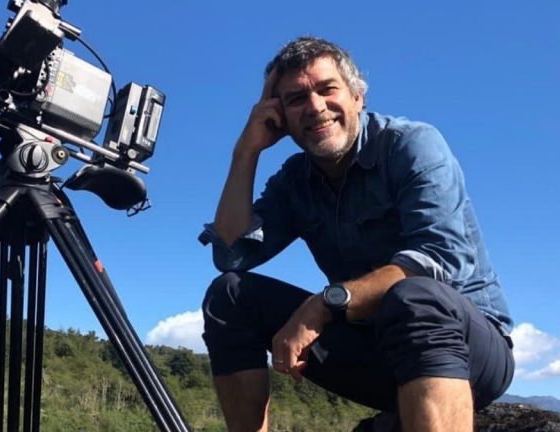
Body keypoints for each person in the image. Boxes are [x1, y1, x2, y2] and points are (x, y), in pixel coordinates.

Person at [198, 36, 515, 432]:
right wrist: (246, 151)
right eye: (296, 99)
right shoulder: (294, 182)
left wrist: (322, 305)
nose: (315, 107)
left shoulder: (411, 144)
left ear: (357, 97)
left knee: (416, 295)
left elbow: (441, 259)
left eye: (327, 89)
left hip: (466, 351)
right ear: (280, 117)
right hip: (378, 353)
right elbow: (230, 254)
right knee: (229, 295)